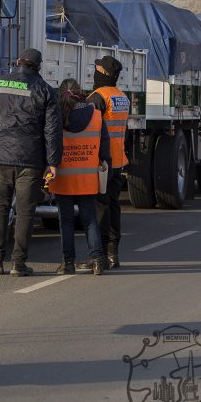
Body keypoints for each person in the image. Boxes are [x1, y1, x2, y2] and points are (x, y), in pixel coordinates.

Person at [0, 48, 62, 277]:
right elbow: (52, 131)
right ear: (38, 66)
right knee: (24, 212)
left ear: (17, 63)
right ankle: (18, 264)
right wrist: (53, 162)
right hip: (30, 160)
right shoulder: (45, 90)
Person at [49, 79, 111, 276]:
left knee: (65, 221)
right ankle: (97, 260)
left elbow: (50, 146)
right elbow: (105, 150)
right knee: (90, 220)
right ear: (81, 93)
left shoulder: (56, 117)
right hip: (88, 179)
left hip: (63, 179)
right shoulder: (96, 116)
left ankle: (68, 263)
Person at [87, 55, 129, 269]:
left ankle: (100, 255)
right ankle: (113, 253)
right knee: (114, 206)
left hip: (101, 163)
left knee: (99, 208)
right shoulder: (122, 97)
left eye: (96, 69)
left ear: (102, 74)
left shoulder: (97, 97)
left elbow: (89, 131)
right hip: (118, 160)